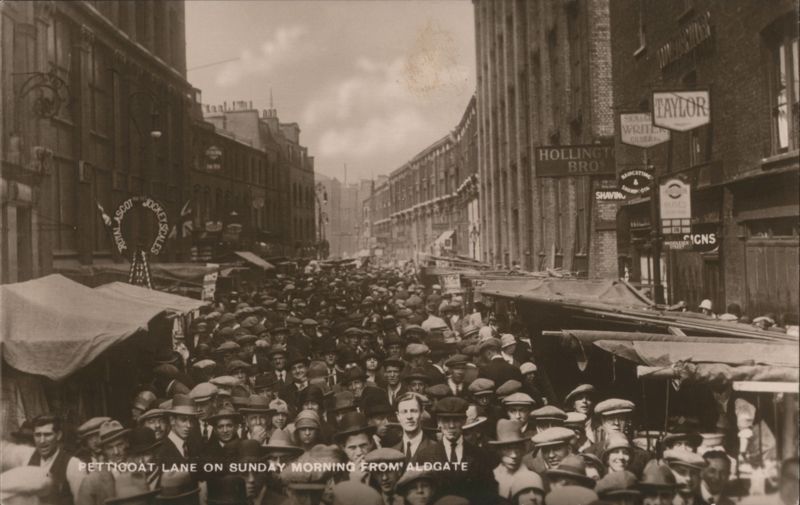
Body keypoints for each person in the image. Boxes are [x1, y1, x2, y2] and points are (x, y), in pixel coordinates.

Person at [415, 396, 496, 502]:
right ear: (439, 422)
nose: (451, 425)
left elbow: (489, 495)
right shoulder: (424, 456)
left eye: (456, 420)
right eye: (446, 420)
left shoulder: (480, 455)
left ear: (464, 421)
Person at [29, 415, 86, 505]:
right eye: (38, 435)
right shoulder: (28, 461)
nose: (42, 440)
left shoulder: (73, 464)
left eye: (47, 435)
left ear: (59, 435)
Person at [489, 419, 540, 500]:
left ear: (523, 449)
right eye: (507, 449)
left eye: (517, 449)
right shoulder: (491, 477)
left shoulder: (533, 478)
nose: (514, 455)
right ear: (498, 451)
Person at [158, 394, 200, 466]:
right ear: (172, 420)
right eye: (183, 420)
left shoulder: (192, 446)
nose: (189, 425)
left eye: (191, 420)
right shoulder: (161, 450)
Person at [393, 393, 437, 462]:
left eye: (413, 411)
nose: (409, 416)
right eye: (404, 412)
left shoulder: (437, 449)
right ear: (398, 416)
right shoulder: (393, 451)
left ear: (421, 413)